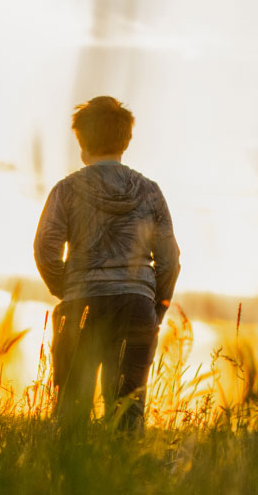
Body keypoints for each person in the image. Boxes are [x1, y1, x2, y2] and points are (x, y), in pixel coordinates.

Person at [35, 96, 179, 431]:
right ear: (125, 140)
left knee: (70, 414)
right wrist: (154, 306)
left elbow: (45, 249)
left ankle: (70, 479)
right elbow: (170, 260)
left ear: (81, 141)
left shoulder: (65, 190)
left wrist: (67, 289)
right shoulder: (150, 193)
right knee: (127, 415)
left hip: (80, 304)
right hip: (136, 306)